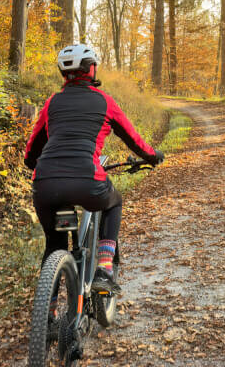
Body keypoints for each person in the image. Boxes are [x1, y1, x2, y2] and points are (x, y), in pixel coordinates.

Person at [24, 44, 163, 294]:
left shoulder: (52, 103)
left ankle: (50, 312)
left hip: (45, 184)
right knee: (114, 202)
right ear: (90, 69)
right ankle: (105, 268)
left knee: (55, 245)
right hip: (88, 180)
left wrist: (43, 170)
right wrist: (152, 156)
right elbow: (133, 139)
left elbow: (31, 151)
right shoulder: (104, 102)